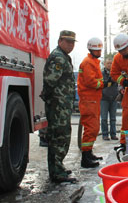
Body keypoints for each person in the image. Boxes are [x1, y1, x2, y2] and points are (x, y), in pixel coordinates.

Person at [42, 30, 77, 184]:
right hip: (58, 105)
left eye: (72, 42)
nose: (70, 45)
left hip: (62, 104)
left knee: (61, 135)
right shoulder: (58, 57)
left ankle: (58, 167)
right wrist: (53, 100)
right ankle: (57, 172)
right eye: (67, 41)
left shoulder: (63, 56)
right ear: (60, 40)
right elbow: (50, 81)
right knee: (59, 136)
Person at [77, 37, 104, 168]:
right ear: (92, 50)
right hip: (89, 100)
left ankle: (89, 152)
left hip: (92, 99)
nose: (100, 52)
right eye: (98, 50)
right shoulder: (88, 62)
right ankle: (85, 158)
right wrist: (103, 83)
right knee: (91, 128)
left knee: (93, 128)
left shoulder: (92, 62)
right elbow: (91, 82)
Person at [101, 57, 118, 141]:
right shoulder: (101, 74)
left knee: (113, 118)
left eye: (111, 63)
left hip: (114, 99)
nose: (110, 65)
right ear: (104, 64)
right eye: (108, 63)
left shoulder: (115, 74)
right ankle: (105, 134)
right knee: (104, 118)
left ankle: (113, 134)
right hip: (104, 99)